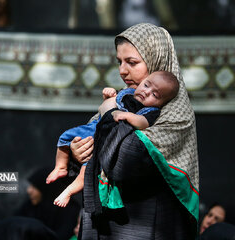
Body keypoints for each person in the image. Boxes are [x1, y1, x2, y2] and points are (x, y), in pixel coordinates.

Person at [69, 23, 199, 239]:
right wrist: (77, 151)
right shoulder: (123, 100)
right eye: (119, 62)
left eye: (132, 62)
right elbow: (90, 151)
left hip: (143, 230)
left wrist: (109, 114)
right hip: (101, 228)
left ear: (157, 61)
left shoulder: (175, 116)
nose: (122, 70)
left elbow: (125, 164)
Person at [53, 71, 180, 207]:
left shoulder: (151, 111)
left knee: (87, 169)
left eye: (155, 95)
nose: (147, 92)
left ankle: (69, 192)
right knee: (65, 137)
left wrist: (127, 116)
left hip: (107, 140)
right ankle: (60, 166)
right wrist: (109, 95)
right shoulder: (128, 93)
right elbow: (110, 103)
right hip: (95, 128)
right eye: (146, 85)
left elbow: (143, 122)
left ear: (161, 103)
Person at [15, 167, 81, 240]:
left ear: (46, 189)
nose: (29, 190)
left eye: (34, 187)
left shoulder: (71, 210)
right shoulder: (30, 207)